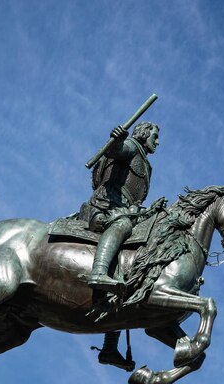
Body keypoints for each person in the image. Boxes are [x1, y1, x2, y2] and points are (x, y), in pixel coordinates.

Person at [79, 121, 160, 370]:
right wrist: (116, 139)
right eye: (155, 136)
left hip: (125, 209)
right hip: (105, 209)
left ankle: (110, 347)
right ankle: (98, 272)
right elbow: (116, 151)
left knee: (136, 264)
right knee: (122, 225)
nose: (157, 141)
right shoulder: (133, 147)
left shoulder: (146, 163)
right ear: (144, 134)